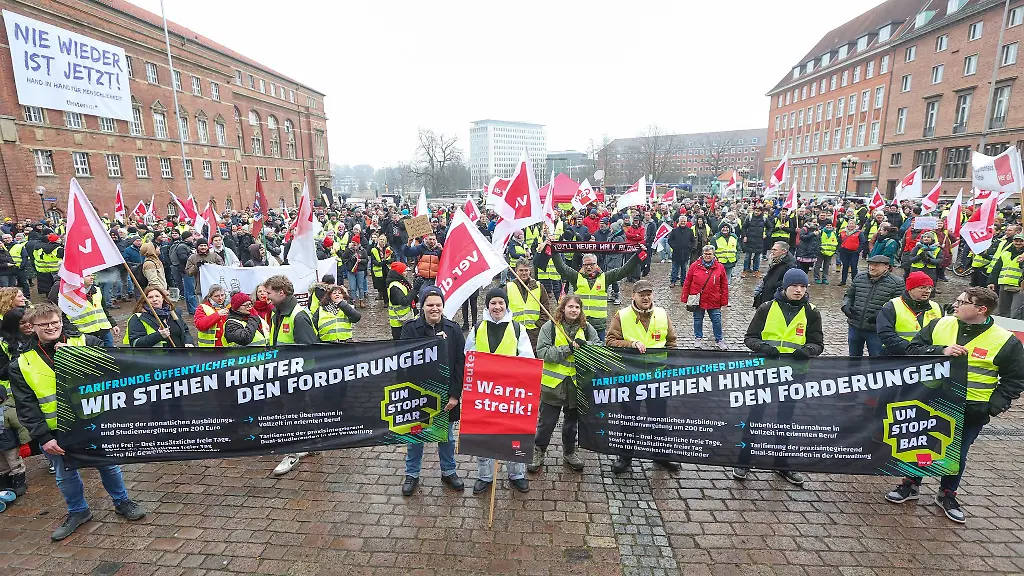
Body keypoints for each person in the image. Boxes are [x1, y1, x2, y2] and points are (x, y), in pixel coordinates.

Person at [885, 287, 1024, 524]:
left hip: (971, 408)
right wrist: (940, 351)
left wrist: (992, 406)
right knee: (920, 442)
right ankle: (911, 483)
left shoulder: (1004, 341)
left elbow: (1015, 379)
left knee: (957, 452)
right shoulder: (941, 324)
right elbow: (911, 350)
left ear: (981, 309)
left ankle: (948, 493)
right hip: (930, 401)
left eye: (963, 302)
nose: (955, 305)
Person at [9, 303, 146, 541]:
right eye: (44, 324)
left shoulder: (86, 343)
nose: (51, 327)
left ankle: (122, 501)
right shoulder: (22, 363)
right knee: (65, 475)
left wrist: (79, 358)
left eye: (54, 322)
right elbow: (26, 405)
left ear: (61, 321)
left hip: (94, 421)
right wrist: (44, 437)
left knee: (108, 465)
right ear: (32, 327)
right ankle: (78, 511)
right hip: (55, 431)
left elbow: (114, 370)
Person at [739, 268, 823, 484]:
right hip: (765, 371)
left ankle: (781, 464)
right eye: (795, 286)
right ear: (785, 287)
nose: (799, 290)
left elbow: (817, 343)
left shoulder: (812, 312)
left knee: (785, 420)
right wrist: (764, 348)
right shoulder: (767, 308)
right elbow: (750, 338)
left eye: (803, 286)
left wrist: (808, 350)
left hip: (794, 373)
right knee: (756, 416)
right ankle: (744, 460)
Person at [605, 279, 679, 474]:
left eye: (649, 293)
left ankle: (661, 455)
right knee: (629, 418)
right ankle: (625, 457)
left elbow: (671, 343)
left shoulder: (662, 314)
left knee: (659, 418)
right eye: (641, 294)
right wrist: (630, 344)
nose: (646, 297)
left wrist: (670, 368)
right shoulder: (622, 315)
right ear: (634, 296)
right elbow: (611, 341)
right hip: (630, 377)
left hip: (657, 376)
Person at [464, 287, 534, 494]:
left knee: (513, 435)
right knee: (484, 435)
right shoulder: (477, 328)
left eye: (500, 303)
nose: (497, 307)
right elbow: (468, 356)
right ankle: (484, 476)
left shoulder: (518, 329)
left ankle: (517, 474)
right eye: (493, 303)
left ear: (506, 305)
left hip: (511, 395)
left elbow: (528, 358)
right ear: (487, 306)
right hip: (483, 395)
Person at [399, 287, 465, 496]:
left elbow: (459, 364)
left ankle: (449, 471)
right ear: (422, 307)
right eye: (430, 305)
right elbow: (403, 361)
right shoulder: (410, 329)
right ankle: (412, 474)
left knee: (446, 437)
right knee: (415, 437)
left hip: (446, 396)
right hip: (419, 395)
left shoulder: (453, 330)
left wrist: (455, 394)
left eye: (438, 304)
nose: (434, 308)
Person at [529, 294, 598, 473]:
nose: (574, 310)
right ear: (563, 308)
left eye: (577, 307)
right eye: (570, 307)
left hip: (576, 386)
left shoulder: (587, 328)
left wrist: (586, 347)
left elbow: (598, 349)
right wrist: (568, 349)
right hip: (553, 385)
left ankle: (569, 452)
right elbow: (542, 352)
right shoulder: (550, 326)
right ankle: (539, 451)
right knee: (546, 423)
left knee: (571, 423)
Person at [263, 275, 320, 476]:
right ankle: (309, 443)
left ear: (281, 292)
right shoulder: (277, 312)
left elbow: (309, 349)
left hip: (296, 376)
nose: (266, 296)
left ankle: (293, 451)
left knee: (292, 411)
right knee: (297, 410)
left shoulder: (298, 315)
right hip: (282, 372)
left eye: (269, 292)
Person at [549, 244, 642, 341]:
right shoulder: (576, 277)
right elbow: (561, 268)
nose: (589, 267)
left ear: (596, 264)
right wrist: (554, 251)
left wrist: (637, 256)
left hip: (599, 326)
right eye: (586, 265)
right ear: (582, 265)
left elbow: (624, 270)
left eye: (591, 264)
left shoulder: (605, 277)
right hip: (580, 324)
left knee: (598, 351)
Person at [842, 255, 904, 357]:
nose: (872, 267)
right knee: (853, 359)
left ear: (886, 267)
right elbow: (849, 295)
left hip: (877, 331)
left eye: (876, 265)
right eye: (870, 264)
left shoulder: (897, 283)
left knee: (876, 361)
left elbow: (898, 306)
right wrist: (845, 306)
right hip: (855, 326)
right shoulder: (859, 277)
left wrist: (880, 316)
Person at [0, 308, 32, 497]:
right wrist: (20, 361)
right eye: (22, 323)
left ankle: (18, 474)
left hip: (33, 389)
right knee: (7, 437)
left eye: (30, 321)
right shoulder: (3, 343)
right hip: (8, 396)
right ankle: (9, 476)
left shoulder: (37, 336)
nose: (28, 325)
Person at [877, 271, 943, 356]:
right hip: (897, 355)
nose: (927, 291)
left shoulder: (936, 307)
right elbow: (886, 334)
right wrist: (912, 349)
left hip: (927, 356)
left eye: (930, 288)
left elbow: (943, 330)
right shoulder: (892, 306)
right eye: (922, 287)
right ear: (910, 289)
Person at [681, 245, 729, 349]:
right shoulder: (694, 266)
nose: (707, 256)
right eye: (705, 254)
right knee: (697, 319)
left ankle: (719, 339)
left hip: (714, 299)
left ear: (713, 254)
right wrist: (685, 297)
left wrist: (724, 300)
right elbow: (687, 282)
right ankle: (698, 338)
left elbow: (724, 285)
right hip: (698, 299)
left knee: (717, 320)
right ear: (702, 254)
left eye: (709, 254)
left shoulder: (720, 267)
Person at [504, 259, 551, 349]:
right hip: (514, 331)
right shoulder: (508, 287)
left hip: (534, 333)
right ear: (516, 271)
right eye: (521, 270)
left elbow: (545, 308)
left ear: (530, 270)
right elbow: (504, 310)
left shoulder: (539, 286)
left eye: (526, 270)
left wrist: (539, 325)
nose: (524, 273)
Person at [126, 286, 193, 348]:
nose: (154, 299)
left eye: (157, 296)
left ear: (163, 298)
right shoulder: (138, 318)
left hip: (180, 356)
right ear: (145, 300)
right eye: (150, 297)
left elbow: (185, 330)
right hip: (156, 359)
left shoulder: (173, 313)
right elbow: (135, 344)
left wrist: (188, 342)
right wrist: (158, 335)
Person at [64, 273, 119, 347]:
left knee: (111, 355)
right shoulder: (70, 294)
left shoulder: (97, 290)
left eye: (92, 275)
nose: (92, 277)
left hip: (104, 330)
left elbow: (103, 309)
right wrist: (74, 331)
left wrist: (113, 324)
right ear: (78, 278)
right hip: (86, 333)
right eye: (88, 276)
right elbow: (64, 316)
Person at [987, 233, 1024, 316]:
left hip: (1019, 288)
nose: (1018, 243)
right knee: (1003, 312)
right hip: (1004, 285)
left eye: (1021, 241)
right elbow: (996, 269)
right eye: (1016, 241)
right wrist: (991, 281)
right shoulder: (1006, 253)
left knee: (1015, 313)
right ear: (1013, 241)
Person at [753, 242, 797, 308]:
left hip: (775, 297)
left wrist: (774, 285)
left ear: (784, 251)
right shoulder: (775, 259)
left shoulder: (790, 265)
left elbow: (788, 282)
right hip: (767, 293)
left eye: (775, 250)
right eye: (772, 249)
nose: (772, 251)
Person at [386, 262, 415, 340]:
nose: (406, 273)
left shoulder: (401, 282)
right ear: (399, 272)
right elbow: (404, 301)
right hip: (398, 322)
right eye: (404, 271)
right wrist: (415, 290)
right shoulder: (394, 286)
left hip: (405, 319)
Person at [667, 217, 695, 286]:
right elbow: (670, 240)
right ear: (679, 222)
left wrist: (689, 247)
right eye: (681, 221)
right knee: (674, 268)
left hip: (685, 253)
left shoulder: (690, 231)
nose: (683, 223)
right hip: (676, 252)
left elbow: (693, 241)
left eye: (684, 221)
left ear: (686, 222)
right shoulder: (674, 230)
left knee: (684, 268)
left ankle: (683, 281)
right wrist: (674, 246)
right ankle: (673, 281)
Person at [368, 234, 394, 301]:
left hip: (387, 269)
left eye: (383, 240)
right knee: (382, 286)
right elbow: (373, 260)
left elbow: (394, 258)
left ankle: (388, 300)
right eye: (380, 239)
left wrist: (387, 261)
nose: (382, 241)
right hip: (379, 269)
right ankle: (385, 300)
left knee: (388, 285)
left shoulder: (389, 249)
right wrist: (379, 263)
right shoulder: (374, 249)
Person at [837, 221, 862, 286]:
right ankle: (843, 281)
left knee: (854, 267)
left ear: (855, 225)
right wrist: (840, 249)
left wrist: (858, 250)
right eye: (850, 223)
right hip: (844, 252)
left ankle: (854, 282)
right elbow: (839, 241)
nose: (851, 225)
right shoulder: (843, 232)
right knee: (845, 266)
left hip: (854, 252)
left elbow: (862, 242)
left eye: (852, 224)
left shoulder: (859, 233)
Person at [814, 220, 838, 284]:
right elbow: (817, 241)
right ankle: (817, 278)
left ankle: (824, 278)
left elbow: (836, 241)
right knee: (818, 265)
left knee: (826, 266)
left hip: (830, 253)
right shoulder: (821, 232)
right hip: (820, 252)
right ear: (825, 226)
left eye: (830, 225)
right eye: (827, 225)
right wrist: (818, 249)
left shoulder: (834, 233)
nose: (829, 226)